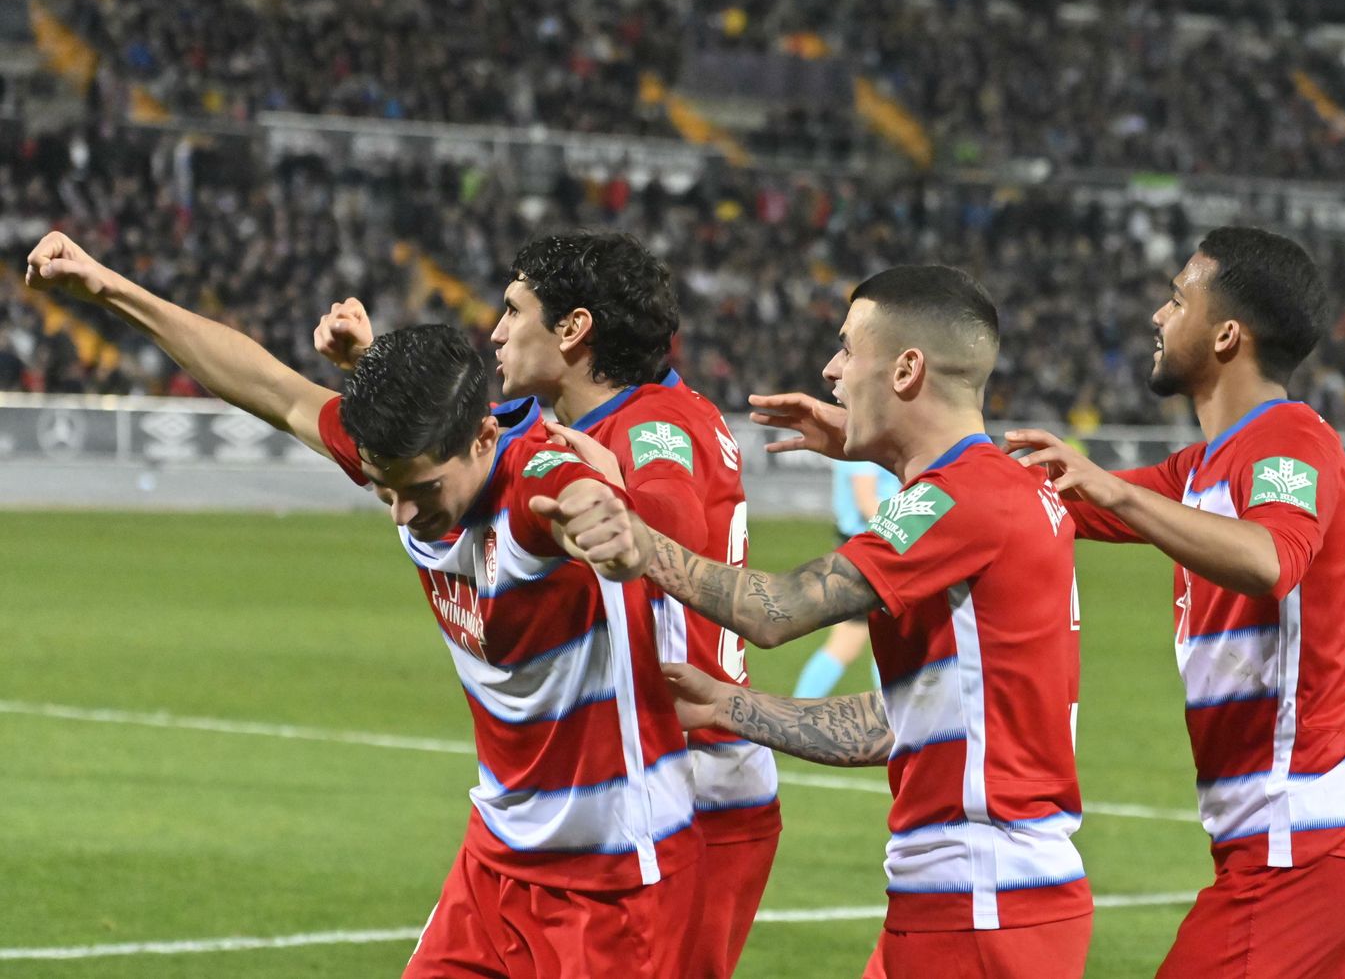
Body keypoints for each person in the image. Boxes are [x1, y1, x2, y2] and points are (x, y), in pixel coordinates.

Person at [24, 231, 702, 978]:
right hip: (497, 862)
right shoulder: (421, 453)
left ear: (483, 439)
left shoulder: (540, 474)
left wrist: (607, 524)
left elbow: (579, 497)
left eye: (419, 493)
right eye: (387, 491)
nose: (405, 517)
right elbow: (267, 386)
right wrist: (107, 288)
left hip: (612, 886)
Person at [549, 265, 1094, 978]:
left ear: (906, 369)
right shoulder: (1003, 489)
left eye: (847, 348)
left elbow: (774, 611)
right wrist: (732, 706)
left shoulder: (964, 500)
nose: (832, 371)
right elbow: (902, 722)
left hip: (983, 903)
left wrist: (628, 531)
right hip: (973, 895)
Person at [313, 232, 780, 979]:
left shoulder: (654, 425)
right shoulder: (561, 428)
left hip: (694, 780)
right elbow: (444, 431)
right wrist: (379, 371)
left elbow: (672, 512)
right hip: (621, 778)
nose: (496, 329)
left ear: (573, 329)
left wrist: (621, 513)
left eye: (513, 309)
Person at [1002, 226, 1345, 977]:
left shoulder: (1290, 440)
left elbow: (1270, 559)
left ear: (1225, 335)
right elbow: (1043, 502)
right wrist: (896, 444)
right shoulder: (1205, 465)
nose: (1157, 315)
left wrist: (1116, 488)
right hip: (1293, 843)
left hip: (1299, 846)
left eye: (1177, 298)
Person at [791, 459, 899, 698]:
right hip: (870, 555)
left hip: (862, 552)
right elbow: (866, 502)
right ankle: (896, 720)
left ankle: (795, 715)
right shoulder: (863, 449)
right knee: (880, 643)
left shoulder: (863, 440)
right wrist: (914, 527)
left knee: (853, 644)